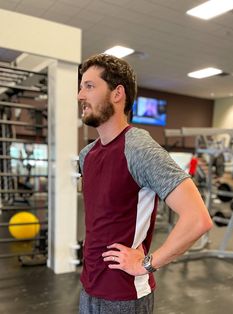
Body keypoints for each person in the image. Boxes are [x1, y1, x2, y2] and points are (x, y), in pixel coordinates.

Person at [78, 54, 213, 314]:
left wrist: (148, 264)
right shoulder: (87, 155)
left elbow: (198, 219)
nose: (80, 95)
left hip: (124, 295)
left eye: (90, 86)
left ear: (118, 94)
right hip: (88, 286)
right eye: (81, 87)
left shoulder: (138, 148)